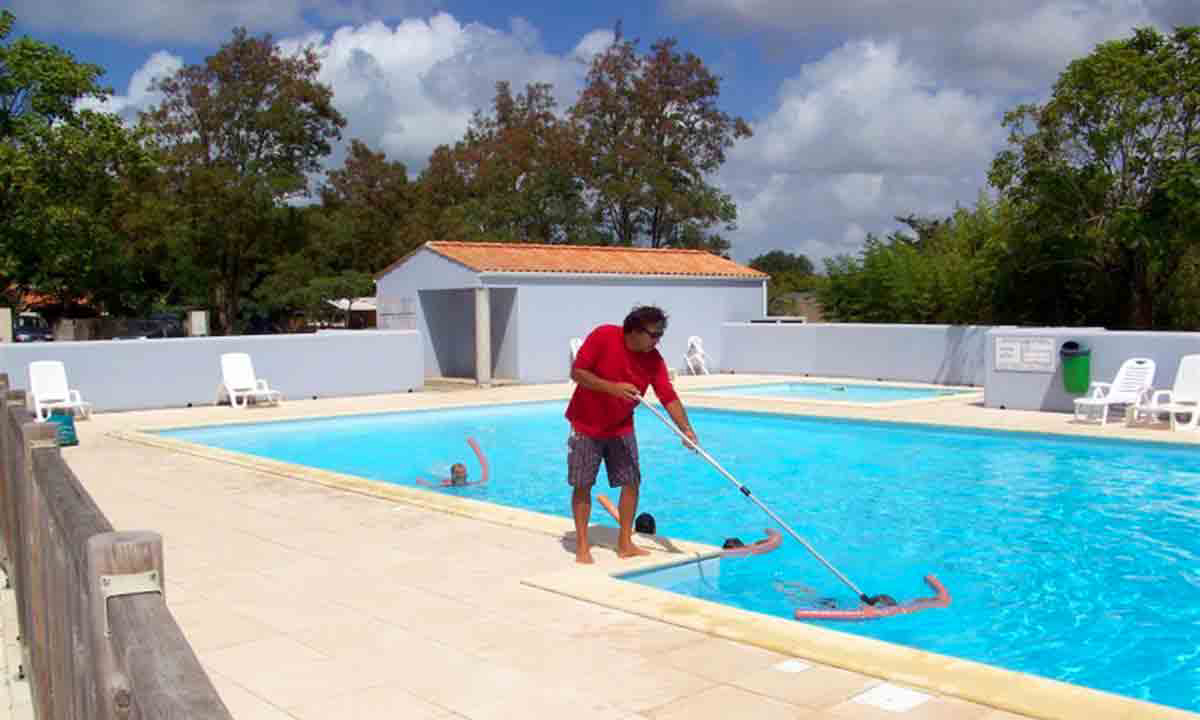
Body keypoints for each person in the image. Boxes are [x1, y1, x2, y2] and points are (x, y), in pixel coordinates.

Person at [566, 305, 698, 564]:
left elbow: (667, 396)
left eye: (661, 334)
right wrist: (612, 389)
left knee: (632, 482)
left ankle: (625, 542)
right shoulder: (604, 336)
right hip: (585, 424)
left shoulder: (654, 360)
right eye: (654, 334)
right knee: (583, 484)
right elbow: (578, 373)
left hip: (621, 426)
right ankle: (582, 545)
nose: (658, 340)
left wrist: (686, 429)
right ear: (635, 331)